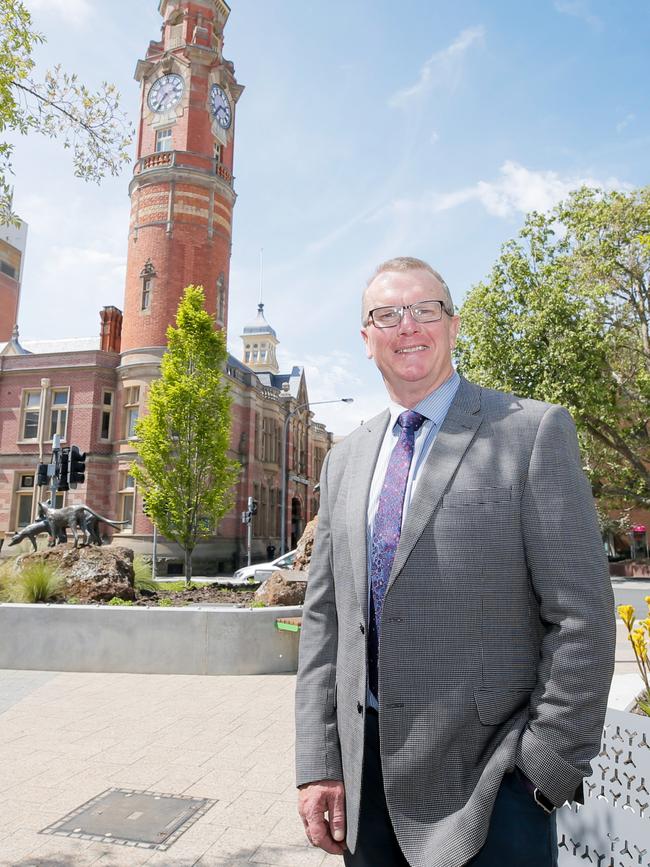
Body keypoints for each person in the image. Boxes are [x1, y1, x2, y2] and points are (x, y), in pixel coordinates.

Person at [295, 257, 615, 867]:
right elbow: (325, 624)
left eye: (424, 310)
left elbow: (583, 616)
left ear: (453, 324)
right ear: (366, 339)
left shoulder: (531, 431)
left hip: (493, 789)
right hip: (366, 794)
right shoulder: (344, 460)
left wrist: (544, 771)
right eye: (386, 315)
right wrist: (319, 764)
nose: (407, 326)